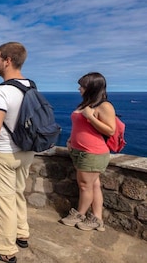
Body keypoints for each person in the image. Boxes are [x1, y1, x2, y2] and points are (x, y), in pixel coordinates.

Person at [0, 42, 35, 263]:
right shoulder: (31, 86)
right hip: (27, 151)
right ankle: (22, 233)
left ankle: (4, 249)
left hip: (3, 153)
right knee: (17, 194)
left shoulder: (1, 91)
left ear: (7, 61)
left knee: (3, 202)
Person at [60, 72, 115, 231]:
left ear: (92, 87)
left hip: (92, 152)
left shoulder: (104, 106)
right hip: (80, 151)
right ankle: (97, 219)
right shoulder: (86, 105)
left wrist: (91, 117)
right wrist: (71, 140)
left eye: (82, 86)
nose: (79, 88)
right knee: (94, 185)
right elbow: (79, 126)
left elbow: (111, 130)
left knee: (85, 186)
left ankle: (80, 214)